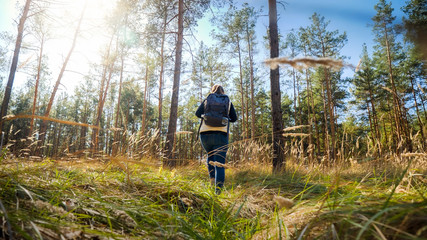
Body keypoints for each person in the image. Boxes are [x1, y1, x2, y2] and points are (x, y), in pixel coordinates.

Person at [195, 85, 237, 194]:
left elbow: (197, 114)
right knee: (220, 164)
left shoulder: (207, 100)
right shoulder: (228, 101)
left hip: (205, 134)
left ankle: (211, 183)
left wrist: (209, 116)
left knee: (210, 157)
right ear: (223, 91)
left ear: (212, 91)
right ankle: (217, 193)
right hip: (221, 134)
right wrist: (224, 118)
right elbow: (235, 118)